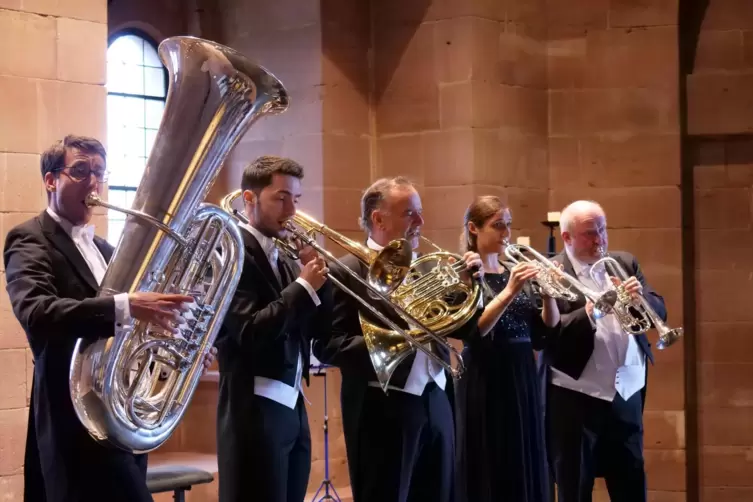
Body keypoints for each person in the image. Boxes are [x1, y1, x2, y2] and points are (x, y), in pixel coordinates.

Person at [3, 135, 215, 502]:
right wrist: (126, 306)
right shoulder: (29, 239)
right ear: (51, 180)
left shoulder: (105, 250)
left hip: (119, 418)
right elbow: (36, 313)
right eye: (80, 171)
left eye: (99, 173)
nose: (93, 183)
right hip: (73, 419)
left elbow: (133, 334)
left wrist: (182, 356)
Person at [312, 176, 484, 502]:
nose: (421, 221)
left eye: (419, 212)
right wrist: (398, 338)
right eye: (410, 213)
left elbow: (465, 328)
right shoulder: (345, 270)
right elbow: (328, 345)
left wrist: (473, 286)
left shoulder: (425, 265)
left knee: (441, 494)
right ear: (378, 219)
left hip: (436, 397)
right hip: (382, 406)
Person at [214, 155, 333, 502]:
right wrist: (302, 287)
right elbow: (250, 331)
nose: (291, 211)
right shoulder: (230, 251)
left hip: (291, 404)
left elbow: (315, 332)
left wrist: (319, 284)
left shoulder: (281, 256)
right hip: (251, 410)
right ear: (249, 198)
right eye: (281, 198)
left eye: (295, 199)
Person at [542, 200, 667, 502]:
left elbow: (658, 310)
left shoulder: (624, 262)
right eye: (589, 233)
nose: (599, 240)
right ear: (567, 237)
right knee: (576, 486)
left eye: (602, 230)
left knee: (631, 484)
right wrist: (589, 312)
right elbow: (548, 335)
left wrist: (639, 300)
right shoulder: (551, 272)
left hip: (627, 395)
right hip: (576, 400)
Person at [454, 195, 559, 502]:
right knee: (490, 456)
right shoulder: (465, 273)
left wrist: (548, 293)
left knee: (523, 455)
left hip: (522, 372)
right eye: (498, 225)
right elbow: (475, 331)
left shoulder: (514, 270)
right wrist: (511, 290)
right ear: (474, 228)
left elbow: (544, 331)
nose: (506, 234)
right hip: (485, 375)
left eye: (509, 225)